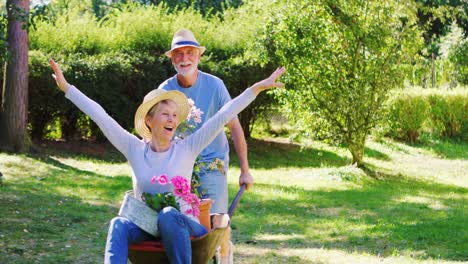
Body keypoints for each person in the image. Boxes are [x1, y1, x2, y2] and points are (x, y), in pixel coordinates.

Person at [49, 58, 285, 264]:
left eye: (175, 115)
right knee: (118, 224)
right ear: (150, 120)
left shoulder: (187, 147)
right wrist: (67, 88)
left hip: (185, 225)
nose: (172, 119)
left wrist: (256, 88)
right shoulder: (134, 148)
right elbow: (100, 115)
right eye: (165, 114)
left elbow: (223, 114)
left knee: (169, 214)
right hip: (148, 226)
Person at [159, 29, 251, 262]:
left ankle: (224, 254)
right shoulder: (164, 90)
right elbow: (156, 131)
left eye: (190, 53)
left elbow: (235, 127)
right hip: (179, 162)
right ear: (172, 59)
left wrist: (245, 170)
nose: (184, 59)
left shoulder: (215, 86)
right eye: (178, 54)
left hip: (212, 161)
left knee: (218, 219)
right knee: (181, 217)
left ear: (199, 57)